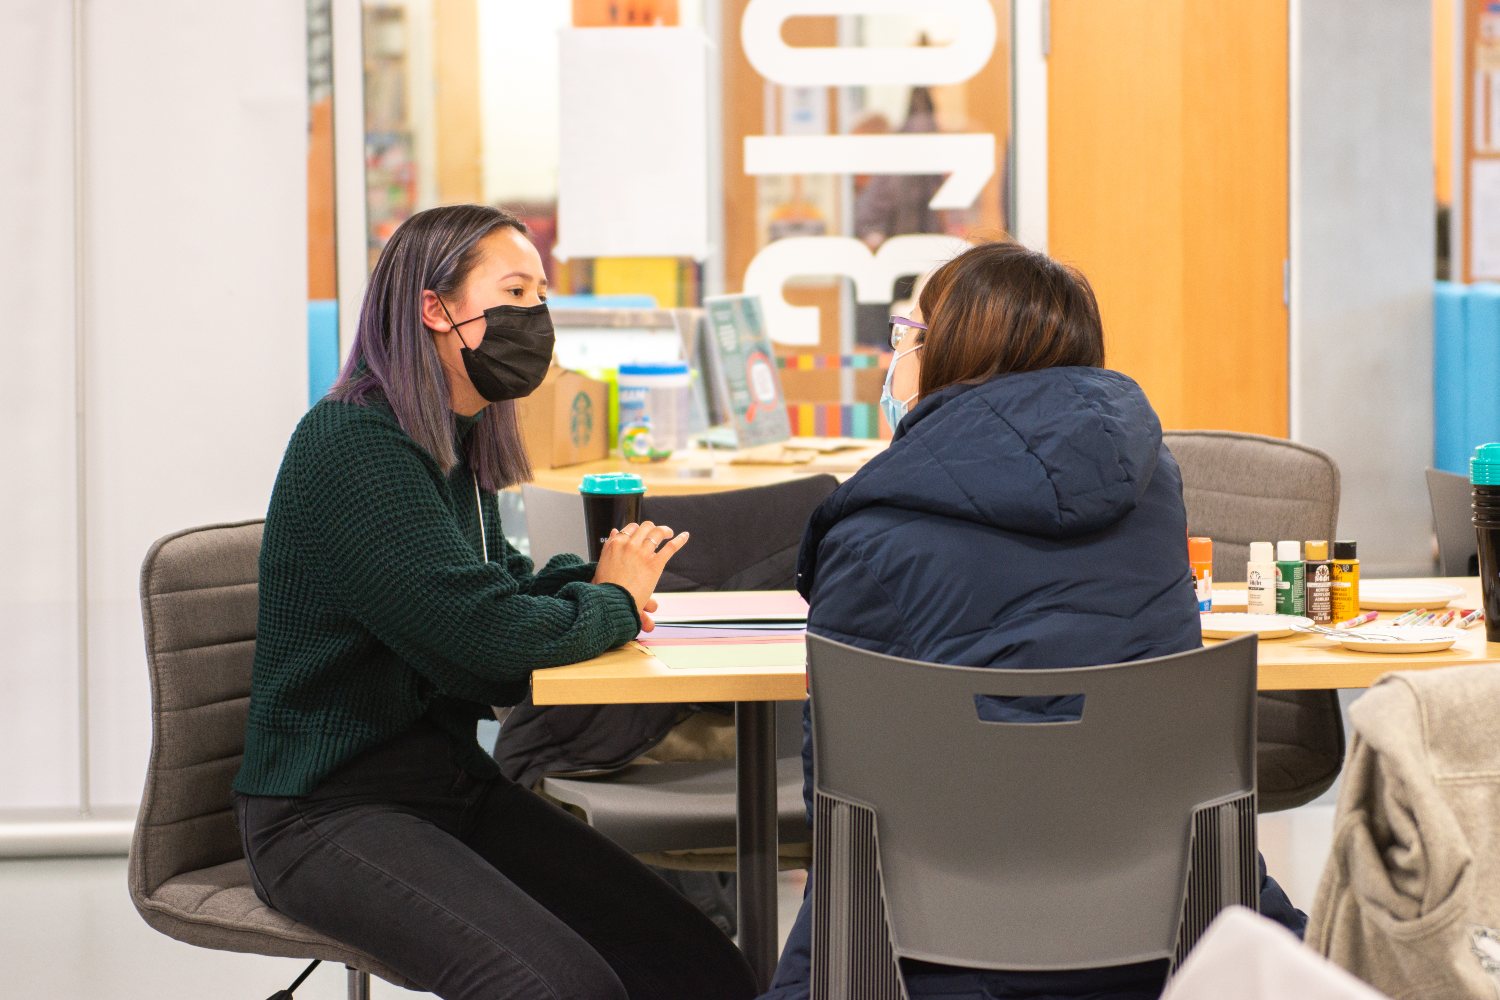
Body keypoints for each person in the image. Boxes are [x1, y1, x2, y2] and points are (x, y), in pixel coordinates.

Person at [231, 204, 757, 1000]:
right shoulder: (356, 444)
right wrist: (611, 601)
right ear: (434, 309)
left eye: (540, 296)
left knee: (700, 969)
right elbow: (490, 651)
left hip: (444, 788)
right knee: (562, 989)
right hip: (325, 813)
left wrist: (594, 583)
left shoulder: (448, 439)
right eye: (514, 292)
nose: (535, 318)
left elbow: (496, 590)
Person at [762, 241, 1305, 1000]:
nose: (897, 357)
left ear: (943, 351)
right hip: (1171, 917)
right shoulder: (1150, 487)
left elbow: (845, 798)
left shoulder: (870, 528)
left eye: (906, 334)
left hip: (933, 943)